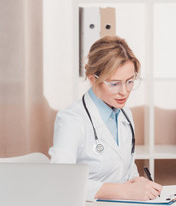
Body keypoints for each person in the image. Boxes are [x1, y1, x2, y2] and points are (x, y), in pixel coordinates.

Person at [49, 36, 162, 201]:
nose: (124, 92)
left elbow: (127, 171)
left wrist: (139, 184)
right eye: (114, 83)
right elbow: (61, 180)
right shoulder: (72, 119)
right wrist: (124, 192)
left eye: (130, 81)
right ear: (93, 79)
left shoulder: (125, 115)